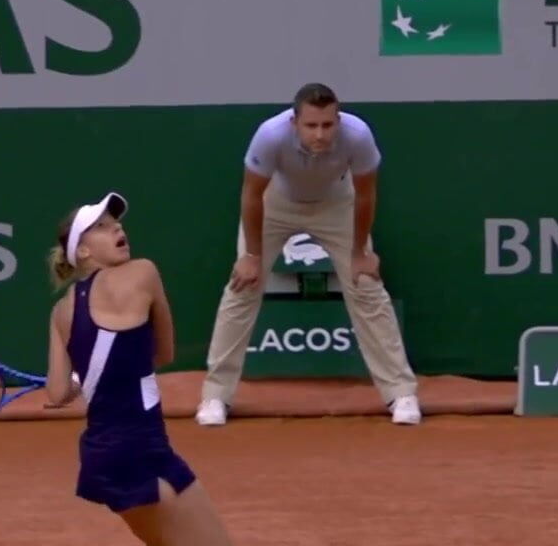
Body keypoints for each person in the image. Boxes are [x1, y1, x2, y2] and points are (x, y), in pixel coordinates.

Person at [196, 83, 422, 427]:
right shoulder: (270, 135)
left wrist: (359, 253)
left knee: (366, 285)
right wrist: (252, 256)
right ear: (294, 122)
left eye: (328, 125)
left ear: (338, 120)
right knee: (242, 287)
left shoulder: (358, 135)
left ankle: (401, 393)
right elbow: (252, 195)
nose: (320, 134)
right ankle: (215, 395)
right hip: (276, 206)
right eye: (311, 125)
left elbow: (365, 195)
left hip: (337, 205)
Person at [44, 191, 235, 546]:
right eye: (102, 227)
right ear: (82, 251)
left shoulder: (60, 312)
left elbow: (56, 394)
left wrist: (88, 375)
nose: (118, 228)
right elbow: (163, 353)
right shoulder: (142, 272)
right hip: (139, 448)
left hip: (105, 456)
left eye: (116, 223)